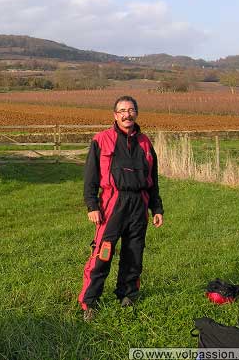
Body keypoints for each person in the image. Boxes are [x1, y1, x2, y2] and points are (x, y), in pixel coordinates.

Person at [78, 96, 164, 321]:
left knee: (134, 253)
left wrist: (157, 208)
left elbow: (152, 179)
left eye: (131, 110)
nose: (127, 114)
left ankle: (128, 295)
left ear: (136, 113)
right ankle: (90, 302)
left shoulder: (146, 143)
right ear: (115, 115)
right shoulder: (101, 140)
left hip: (139, 205)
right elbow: (90, 177)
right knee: (102, 253)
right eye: (122, 111)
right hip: (112, 204)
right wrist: (92, 205)